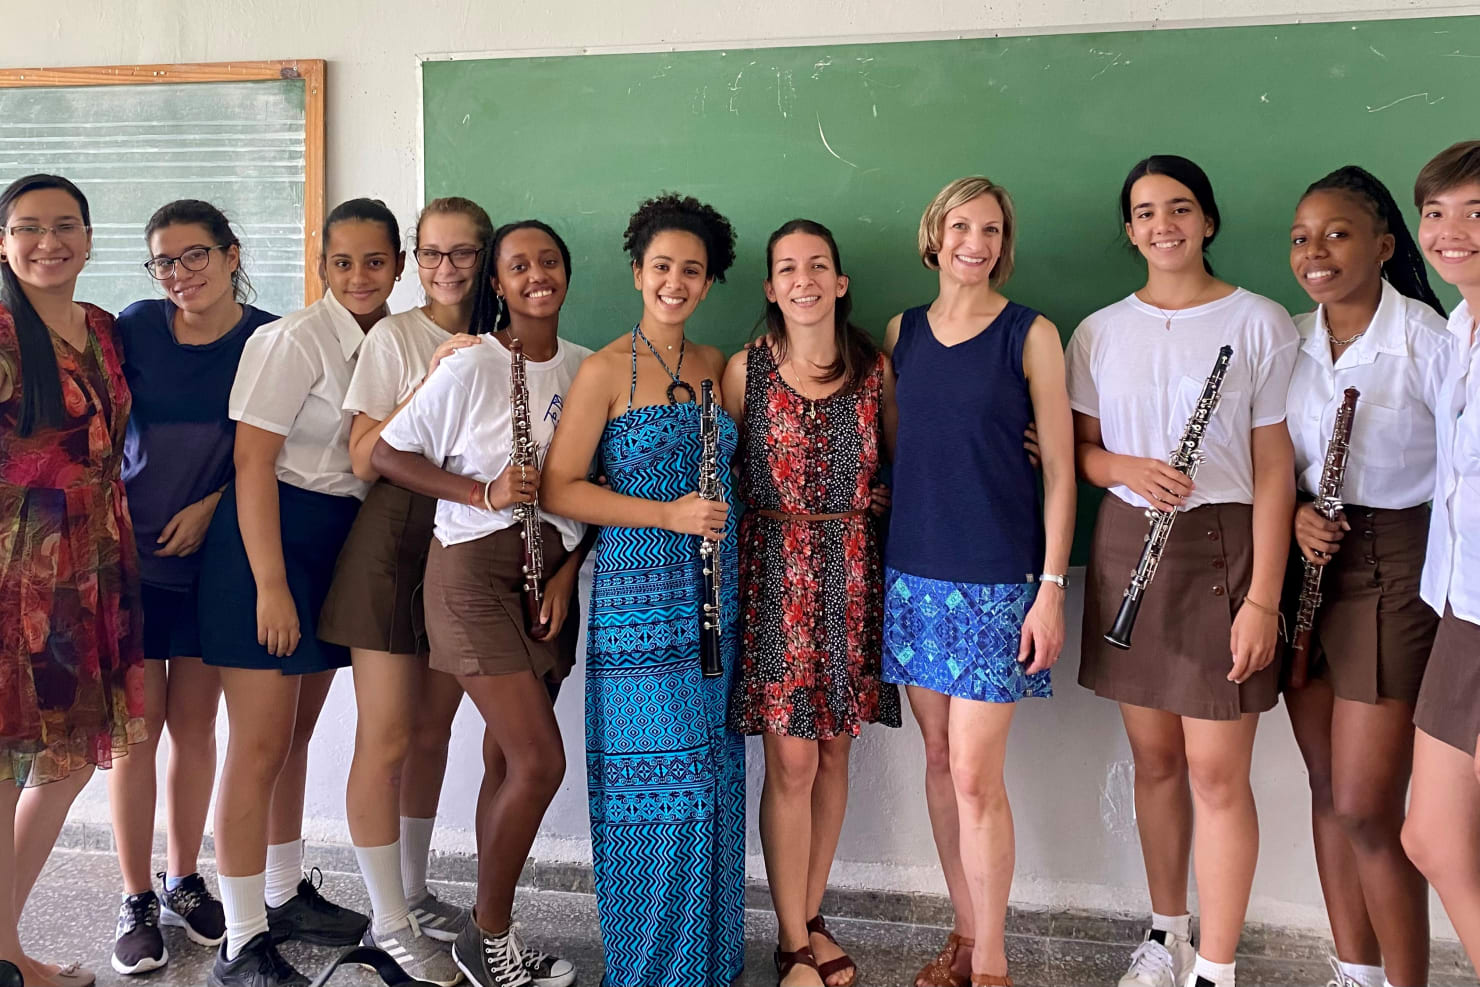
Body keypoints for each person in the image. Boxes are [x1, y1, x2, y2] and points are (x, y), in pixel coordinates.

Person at [1067, 155, 1297, 987]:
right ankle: (1164, 935)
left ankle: (1218, 966)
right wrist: (1127, 464)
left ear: (1208, 220)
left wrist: (1263, 596)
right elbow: (1077, 455)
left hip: (1222, 550)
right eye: (1145, 212)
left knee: (1216, 772)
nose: (1163, 224)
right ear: (1128, 230)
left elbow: (1275, 467)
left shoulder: (1262, 321)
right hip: (1131, 540)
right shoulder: (1097, 330)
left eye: (1180, 208)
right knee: (1156, 760)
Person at [374, 219, 588, 987]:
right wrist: (482, 489)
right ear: (495, 283)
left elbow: (600, 487)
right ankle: (488, 936)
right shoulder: (469, 364)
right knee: (540, 760)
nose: (537, 274)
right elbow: (384, 451)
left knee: (507, 759)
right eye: (518, 264)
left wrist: (570, 572)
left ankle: (492, 933)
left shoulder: (588, 367)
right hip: (469, 571)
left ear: (569, 271)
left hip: (548, 580)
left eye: (550, 260)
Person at [540, 193, 745, 987]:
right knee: (657, 791)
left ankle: (710, 962)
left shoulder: (713, 364)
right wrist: (666, 512)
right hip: (635, 603)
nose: (675, 281)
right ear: (637, 273)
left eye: (692, 271)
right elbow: (560, 487)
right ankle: (657, 970)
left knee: (713, 780)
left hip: (712, 603)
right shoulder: (602, 369)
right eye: (662, 266)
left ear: (708, 282)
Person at [200, 198, 402, 987]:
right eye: (343, 261)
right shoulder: (289, 339)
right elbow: (252, 466)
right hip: (266, 546)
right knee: (255, 747)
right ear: (322, 265)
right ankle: (240, 940)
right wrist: (272, 585)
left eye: (375, 261)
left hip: (332, 546)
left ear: (398, 266)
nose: (358, 275)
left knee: (293, 740)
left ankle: (282, 896)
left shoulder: (392, 341)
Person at [883, 177, 1074, 987]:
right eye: (962, 225)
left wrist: (1052, 586)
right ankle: (962, 933)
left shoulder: (1031, 334)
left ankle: (992, 962)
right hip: (913, 576)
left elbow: (1062, 473)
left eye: (992, 229)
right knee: (935, 757)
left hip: (1000, 581)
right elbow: (900, 450)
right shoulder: (902, 332)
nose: (977, 242)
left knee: (974, 774)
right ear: (935, 234)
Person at [1280, 166, 1449, 987]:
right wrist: (1295, 512)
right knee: (1323, 785)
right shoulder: (1291, 339)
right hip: (1308, 564)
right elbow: (1268, 458)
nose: (1315, 251)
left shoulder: (1427, 338)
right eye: (1301, 236)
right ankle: (1357, 971)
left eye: (1338, 233)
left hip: (1397, 568)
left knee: (1366, 805)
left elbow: (1464, 471)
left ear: (1383, 245)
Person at [723, 218, 900, 987]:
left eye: (818, 265)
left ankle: (814, 913)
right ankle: (792, 939)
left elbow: (899, 465)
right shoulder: (745, 371)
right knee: (789, 759)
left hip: (854, 574)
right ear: (770, 286)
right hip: (775, 578)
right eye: (788, 267)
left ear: (840, 280)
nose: (804, 279)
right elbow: (719, 476)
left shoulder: (875, 370)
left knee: (834, 751)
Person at [320, 197, 490, 986]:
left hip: (464, 549)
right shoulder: (395, 335)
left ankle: (415, 891)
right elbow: (362, 455)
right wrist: (430, 377)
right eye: (430, 253)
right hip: (393, 543)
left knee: (433, 729)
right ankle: (386, 920)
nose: (445, 267)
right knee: (385, 735)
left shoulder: (506, 338)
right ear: (413, 261)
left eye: (461, 252)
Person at [108, 200, 279, 976]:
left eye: (195, 256)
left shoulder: (269, 337)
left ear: (232, 253)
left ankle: (183, 877)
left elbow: (273, 453)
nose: (181, 275)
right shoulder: (136, 325)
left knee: (195, 726)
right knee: (134, 736)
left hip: (215, 563)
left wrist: (213, 506)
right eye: (165, 261)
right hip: (129, 561)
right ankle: (135, 894)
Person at [0, 173, 145, 987]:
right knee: (9, 757)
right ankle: (7, 953)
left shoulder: (102, 327)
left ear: (89, 240)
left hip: (92, 562)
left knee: (68, 759)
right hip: (17, 564)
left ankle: (3, 943)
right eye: (28, 228)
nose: (47, 242)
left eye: (65, 227)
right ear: (3, 242)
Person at [1402, 138, 1480, 975]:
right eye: (1436, 212)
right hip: (1459, 603)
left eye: (1476, 213)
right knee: (1430, 833)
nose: (1452, 230)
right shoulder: (1457, 324)